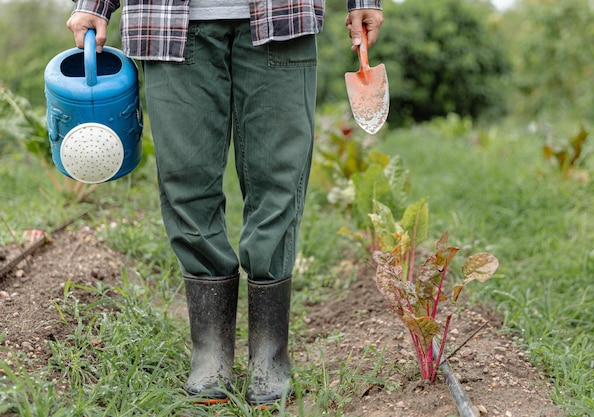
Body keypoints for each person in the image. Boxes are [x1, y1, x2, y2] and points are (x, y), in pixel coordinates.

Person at [66, 0, 383, 407]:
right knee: (186, 178)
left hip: (281, 16)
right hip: (168, 22)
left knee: (278, 177)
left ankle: (270, 353)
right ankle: (211, 351)